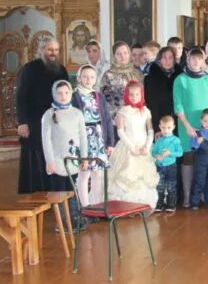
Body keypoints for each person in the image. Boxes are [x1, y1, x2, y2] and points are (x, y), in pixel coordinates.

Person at [16, 38, 70, 194]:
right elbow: (21, 97)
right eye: (49, 49)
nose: (53, 53)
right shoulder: (29, 69)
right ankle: (36, 194)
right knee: (36, 156)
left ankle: (55, 192)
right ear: (41, 51)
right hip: (34, 121)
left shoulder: (61, 70)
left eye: (56, 50)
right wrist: (22, 122)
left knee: (54, 154)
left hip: (55, 121)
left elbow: (66, 95)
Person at [173, 48, 208, 208]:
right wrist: (187, 126)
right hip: (187, 124)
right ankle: (187, 195)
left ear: (203, 61)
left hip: (207, 125)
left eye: (199, 59)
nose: (196, 62)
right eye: (193, 59)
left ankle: (201, 194)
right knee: (188, 158)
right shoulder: (180, 79)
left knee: (204, 159)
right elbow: (178, 105)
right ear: (188, 60)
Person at [107, 81, 160, 210]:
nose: (134, 97)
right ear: (127, 95)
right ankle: (126, 205)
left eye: (137, 94)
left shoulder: (146, 111)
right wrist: (132, 148)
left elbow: (150, 131)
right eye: (131, 95)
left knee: (143, 176)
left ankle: (142, 204)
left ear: (141, 95)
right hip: (128, 147)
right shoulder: (123, 111)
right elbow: (120, 131)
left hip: (143, 147)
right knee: (127, 174)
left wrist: (147, 147)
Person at [72, 65, 115, 207]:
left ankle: (96, 204)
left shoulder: (98, 96)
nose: (88, 79)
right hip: (83, 139)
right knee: (84, 174)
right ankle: (84, 206)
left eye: (91, 76)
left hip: (98, 138)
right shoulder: (74, 96)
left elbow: (107, 119)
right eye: (85, 76)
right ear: (79, 78)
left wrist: (110, 142)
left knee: (98, 173)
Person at [42, 80, 88, 192]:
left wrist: (84, 158)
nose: (63, 96)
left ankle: (75, 210)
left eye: (66, 92)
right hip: (57, 161)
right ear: (54, 94)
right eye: (59, 93)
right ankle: (61, 210)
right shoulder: (49, 114)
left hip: (75, 160)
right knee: (59, 194)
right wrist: (50, 161)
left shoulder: (77, 113)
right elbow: (46, 140)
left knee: (75, 193)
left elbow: (83, 137)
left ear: (71, 93)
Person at [101, 41, 144, 122]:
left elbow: (143, 96)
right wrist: (116, 117)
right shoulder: (108, 75)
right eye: (118, 54)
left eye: (125, 53)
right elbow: (105, 100)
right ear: (114, 56)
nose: (122, 56)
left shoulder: (138, 73)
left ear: (129, 54)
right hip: (118, 119)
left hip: (138, 118)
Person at [144, 46, 183, 131]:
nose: (167, 61)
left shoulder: (181, 77)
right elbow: (151, 105)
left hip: (178, 122)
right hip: (161, 124)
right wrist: (157, 128)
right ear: (159, 59)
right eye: (164, 58)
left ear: (174, 60)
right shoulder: (151, 78)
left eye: (170, 57)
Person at [151, 115, 183, 212]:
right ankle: (159, 204)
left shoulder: (176, 140)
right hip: (160, 166)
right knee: (159, 186)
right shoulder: (159, 140)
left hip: (171, 166)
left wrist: (170, 153)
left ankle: (171, 204)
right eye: (163, 127)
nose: (166, 130)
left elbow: (180, 153)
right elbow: (153, 151)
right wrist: (157, 156)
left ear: (173, 127)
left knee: (171, 185)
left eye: (169, 128)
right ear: (160, 127)